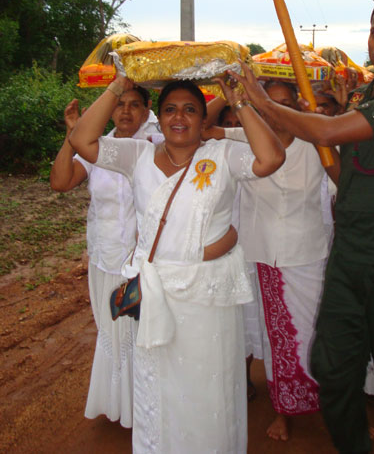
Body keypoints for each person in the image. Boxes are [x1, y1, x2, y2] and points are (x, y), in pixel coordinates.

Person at [232, 0, 374, 453]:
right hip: (350, 255)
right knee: (331, 365)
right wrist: (315, 135)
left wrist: (261, 100)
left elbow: (325, 134)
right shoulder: (368, 95)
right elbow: (344, 175)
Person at [69, 75, 285, 453]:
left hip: (207, 300)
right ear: (159, 116)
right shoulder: (137, 155)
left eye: (190, 110)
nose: (179, 117)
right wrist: (119, 85)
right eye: (170, 109)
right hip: (156, 297)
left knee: (206, 387)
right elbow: (82, 141)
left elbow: (271, 158)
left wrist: (239, 101)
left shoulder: (222, 155)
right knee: (159, 388)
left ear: (204, 120)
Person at [206, 79, 335, 441]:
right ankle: (284, 410)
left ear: (296, 106)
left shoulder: (318, 143)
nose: (276, 111)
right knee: (281, 340)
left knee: (317, 335)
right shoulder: (244, 140)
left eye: (284, 103)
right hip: (264, 255)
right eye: (269, 104)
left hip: (308, 253)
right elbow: (203, 128)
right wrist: (229, 96)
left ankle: (331, 404)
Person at [50, 85, 153, 428]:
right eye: (119, 105)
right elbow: (61, 182)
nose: (125, 112)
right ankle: (120, 405)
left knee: (142, 333)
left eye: (134, 105)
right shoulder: (97, 144)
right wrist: (74, 135)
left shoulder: (158, 144)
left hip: (146, 263)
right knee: (113, 332)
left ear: (147, 108)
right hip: (105, 256)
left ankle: (147, 408)